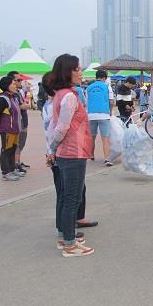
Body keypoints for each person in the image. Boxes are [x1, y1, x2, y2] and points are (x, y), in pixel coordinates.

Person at [47, 54, 95, 258]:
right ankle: (69, 243)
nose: (80, 72)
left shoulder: (62, 94)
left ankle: (64, 235)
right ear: (67, 72)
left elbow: (54, 124)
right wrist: (52, 148)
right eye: (77, 69)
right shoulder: (68, 97)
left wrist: (52, 149)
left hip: (68, 152)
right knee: (72, 199)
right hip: (72, 152)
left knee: (67, 197)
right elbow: (61, 127)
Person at [0, 76, 22, 181]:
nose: (15, 85)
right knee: (6, 150)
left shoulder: (13, 97)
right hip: (7, 130)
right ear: (7, 85)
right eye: (13, 83)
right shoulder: (3, 99)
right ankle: (6, 173)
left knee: (13, 149)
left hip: (15, 130)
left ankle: (12, 169)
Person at [86, 69, 114, 166]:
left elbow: (86, 102)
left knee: (92, 137)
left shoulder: (88, 87)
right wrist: (110, 111)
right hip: (103, 114)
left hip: (91, 115)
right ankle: (106, 159)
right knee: (105, 138)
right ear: (104, 78)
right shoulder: (107, 87)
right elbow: (111, 101)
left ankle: (91, 155)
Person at [6, 71, 31, 173]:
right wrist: (24, 105)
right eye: (19, 80)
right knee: (17, 144)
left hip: (23, 122)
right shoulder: (10, 95)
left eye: (21, 79)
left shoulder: (18, 92)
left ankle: (17, 162)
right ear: (12, 81)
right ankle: (15, 165)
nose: (21, 81)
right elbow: (14, 107)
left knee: (21, 143)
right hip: (17, 123)